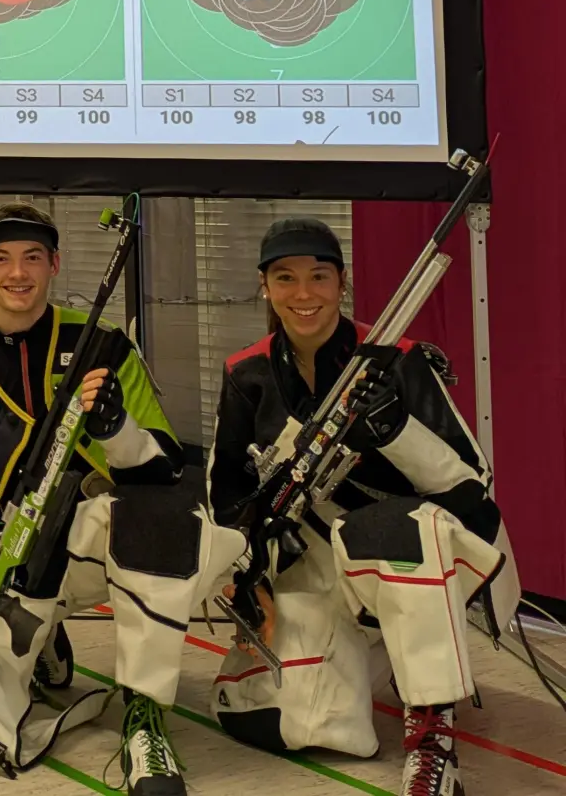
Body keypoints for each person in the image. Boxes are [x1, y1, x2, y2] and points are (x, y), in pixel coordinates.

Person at [0, 202, 245, 796]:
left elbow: (164, 467)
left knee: (153, 524)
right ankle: (43, 637)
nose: (17, 273)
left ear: (54, 264)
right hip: (4, 556)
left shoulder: (102, 344)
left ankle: (144, 714)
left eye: (32, 257)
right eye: (0, 259)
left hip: (96, 542)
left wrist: (116, 431)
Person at [208, 218, 518, 796]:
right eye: (286, 278)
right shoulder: (245, 372)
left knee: (399, 529)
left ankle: (432, 745)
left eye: (319, 277)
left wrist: (398, 431)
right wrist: (248, 579)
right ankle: (391, 663)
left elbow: (472, 487)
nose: (304, 295)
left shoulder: (398, 359)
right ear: (264, 286)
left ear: (342, 282)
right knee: (316, 723)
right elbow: (227, 493)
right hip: (312, 563)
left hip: (412, 556)